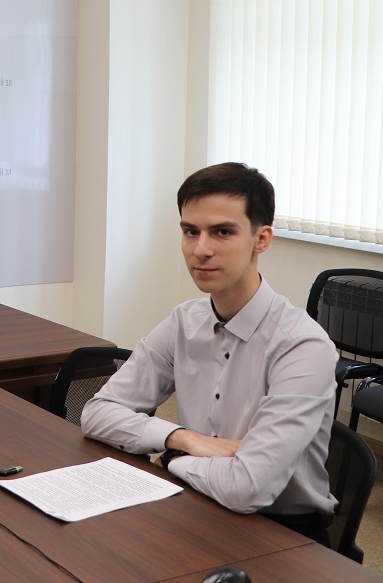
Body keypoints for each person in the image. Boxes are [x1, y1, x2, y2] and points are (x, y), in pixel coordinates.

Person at [81, 162, 338, 544]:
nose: (200, 249)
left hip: (281, 534)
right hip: (195, 502)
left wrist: (174, 458)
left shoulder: (302, 346)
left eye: (222, 232)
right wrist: (182, 438)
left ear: (261, 239)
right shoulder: (184, 322)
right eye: (191, 231)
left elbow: (248, 488)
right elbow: (97, 413)